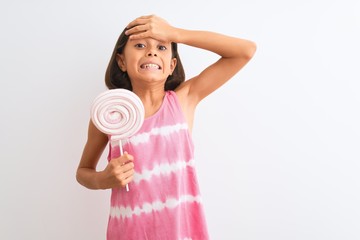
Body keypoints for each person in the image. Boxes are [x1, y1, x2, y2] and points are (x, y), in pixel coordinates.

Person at [76, 15, 256, 240]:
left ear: (172, 65)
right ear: (121, 61)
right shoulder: (110, 113)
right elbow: (83, 172)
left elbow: (244, 51)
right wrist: (103, 179)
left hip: (181, 233)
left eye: (162, 46)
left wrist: (176, 34)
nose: (151, 52)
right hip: (129, 233)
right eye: (140, 45)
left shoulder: (183, 100)